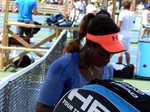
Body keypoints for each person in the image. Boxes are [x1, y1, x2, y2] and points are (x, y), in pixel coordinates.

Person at [35, 13, 126, 112]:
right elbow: (42, 109)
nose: (108, 60)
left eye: (111, 54)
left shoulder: (108, 70)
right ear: (89, 44)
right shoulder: (62, 67)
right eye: (104, 54)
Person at [117, 1, 135, 65]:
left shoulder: (122, 13)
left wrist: (116, 31)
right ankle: (128, 64)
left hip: (122, 34)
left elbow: (119, 24)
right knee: (127, 51)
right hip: (129, 33)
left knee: (119, 51)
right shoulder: (132, 13)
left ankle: (119, 64)